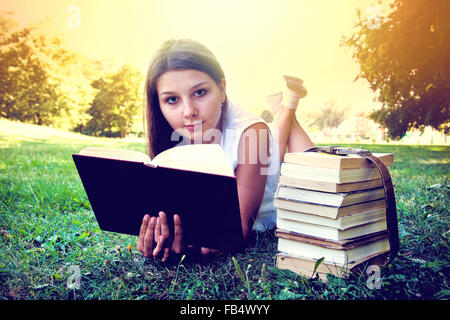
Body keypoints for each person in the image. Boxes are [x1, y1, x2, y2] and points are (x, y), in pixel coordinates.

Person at [137, 39, 314, 261]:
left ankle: (288, 105)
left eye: (200, 92)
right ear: (159, 104)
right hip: (262, 158)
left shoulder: (252, 132)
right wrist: (160, 233)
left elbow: (234, 232)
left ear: (222, 89)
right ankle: (286, 107)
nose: (189, 111)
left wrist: (189, 246)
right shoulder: (176, 138)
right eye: (172, 99)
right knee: (272, 145)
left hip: (280, 179)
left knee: (312, 163)